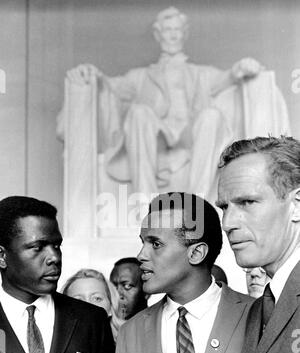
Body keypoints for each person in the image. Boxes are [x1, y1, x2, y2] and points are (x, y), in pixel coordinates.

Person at [57, 5, 290, 237]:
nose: (173, 34)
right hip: (154, 140)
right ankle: (147, 206)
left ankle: (197, 208)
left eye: (177, 30)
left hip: (190, 142)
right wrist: (93, 75)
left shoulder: (200, 73)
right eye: (168, 30)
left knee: (212, 116)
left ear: (184, 34)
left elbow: (228, 78)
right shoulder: (140, 77)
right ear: (158, 35)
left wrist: (241, 68)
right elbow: (111, 86)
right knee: (139, 113)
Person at [169, 136, 300, 353]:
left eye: (247, 202)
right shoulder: (261, 308)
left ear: (297, 205)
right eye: (225, 206)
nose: (228, 222)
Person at [108, 192, 254, 353]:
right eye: (142, 242)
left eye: (155, 244)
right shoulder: (131, 332)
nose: (141, 255)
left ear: (196, 253)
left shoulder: (256, 317)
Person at [0, 196, 115, 353]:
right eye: (37, 247)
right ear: (2, 256)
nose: (54, 257)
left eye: (56, 245)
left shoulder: (91, 320)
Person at [62, 268, 124, 342]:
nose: (88, 305)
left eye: (97, 299)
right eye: (78, 300)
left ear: (111, 305)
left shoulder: (129, 342)